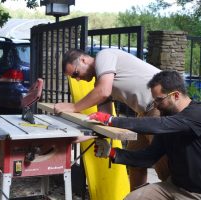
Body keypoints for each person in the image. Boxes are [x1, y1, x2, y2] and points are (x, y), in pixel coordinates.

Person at [88, 70, 201, 200]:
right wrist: (112, 153)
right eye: (154, 100)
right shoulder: (169, 121)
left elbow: (157, 124)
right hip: (174, 187)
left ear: (176, 95)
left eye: (159, 100)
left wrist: (111, 120)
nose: (156, 105)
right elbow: (148, 157)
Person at [54, 48, 169, 189]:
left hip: (160, 108)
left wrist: (73, 107)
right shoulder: (101, 81)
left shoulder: (104, 56)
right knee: (134, 161)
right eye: (73, 78)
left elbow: (103, 91)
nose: (77, 79)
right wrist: (79, 136)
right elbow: (106, 120)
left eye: (76, 73)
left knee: (166, 167)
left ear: (83, 60)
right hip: (144, 113)